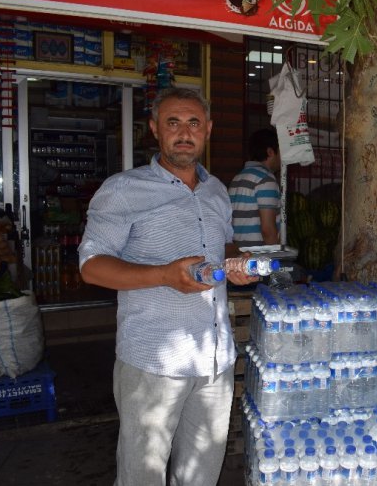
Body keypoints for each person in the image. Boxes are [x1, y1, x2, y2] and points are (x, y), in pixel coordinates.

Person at [78, 88, 256, 485]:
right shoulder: (123, 190)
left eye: (193, 123)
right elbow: (92, 266)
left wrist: (237, 262)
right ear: (155, 128)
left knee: (201, 475)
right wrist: (163, 275)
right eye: (173, 122)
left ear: (208, 129)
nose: (184, 133)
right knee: (143, 475)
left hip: (214, 360)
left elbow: (221, 246)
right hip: (153, 363)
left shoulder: (216, 191)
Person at [228, 128, 281, 247]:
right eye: (280, 152)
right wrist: (276, 257)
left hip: (239, 256)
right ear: (270, 152)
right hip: (259, 259)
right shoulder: (266, 179)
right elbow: (268, 230)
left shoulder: (237, 178)